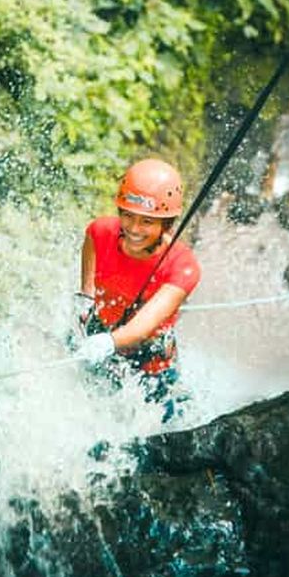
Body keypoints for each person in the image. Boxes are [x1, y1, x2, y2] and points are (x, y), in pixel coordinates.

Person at [73, 158, 201, 423]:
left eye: (147, 222)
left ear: (166, 224)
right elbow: (89, 257)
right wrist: (85, 298)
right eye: (128, 216)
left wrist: (108, 342)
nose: (133, 229)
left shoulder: (182, 267)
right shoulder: (101, 232)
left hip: (150, 369)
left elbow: (143, 328)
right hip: (101, 343)